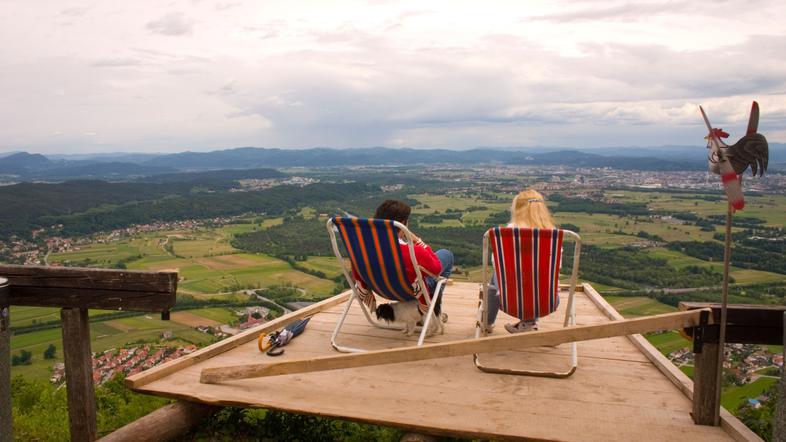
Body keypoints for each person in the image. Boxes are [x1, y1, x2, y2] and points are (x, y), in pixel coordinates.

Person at [354, 199, 453, 320]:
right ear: (402, 223)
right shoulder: (411, 251)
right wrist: (417, 241)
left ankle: (427, 313)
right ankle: (431, 313)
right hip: (409, 291)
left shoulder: (362, 247)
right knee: (446, 255)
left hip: (380, 288)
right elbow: (436, 269)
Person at [485, 188, 557, 333]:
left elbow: (497, 263)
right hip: (547, 302)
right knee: (535, 280)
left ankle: (487, 323)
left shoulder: (511, 232)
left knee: (495, 277)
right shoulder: (553, 234)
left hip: (510, 301)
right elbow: (556, 268)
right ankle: (529, 323)